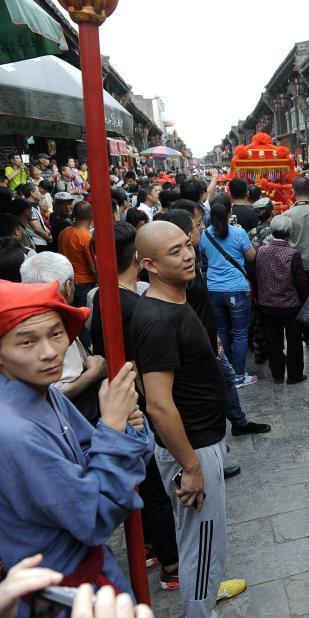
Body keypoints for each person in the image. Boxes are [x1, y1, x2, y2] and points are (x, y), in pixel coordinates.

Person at [0, 279, 149, 617]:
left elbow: (96, 454)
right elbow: (94, 514)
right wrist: (113, 427)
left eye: (56, 334)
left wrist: (123, 429)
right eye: (27, 342)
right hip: (63, 599)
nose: (50, 352)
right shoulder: (13, 432)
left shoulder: (44, 390)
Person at [130, 221, 247, 617]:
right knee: (202, 545)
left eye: (186, 246)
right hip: (193, 448)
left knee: (201, 539)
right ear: (150, 265)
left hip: (201, 440)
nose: (187, 256)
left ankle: (204, 596)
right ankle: (201, 610)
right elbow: (158, 405)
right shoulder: (157, 319)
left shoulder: (176, 302)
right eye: (174, 252)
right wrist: (191, 466)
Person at [87, 222, 180, 591]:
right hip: (135, 408)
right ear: (141, 261)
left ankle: (150, 546)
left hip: (120, 402)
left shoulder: (103, 299)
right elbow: (143, 369)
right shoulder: (136, 306)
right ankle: (173, 565)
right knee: (154, 487)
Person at [161, 208, 269, 441]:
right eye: (197, 226)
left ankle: (236, 423)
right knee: (236, 342)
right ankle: (215, 436)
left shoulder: (199, 253)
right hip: (201, 339)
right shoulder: (180, 272)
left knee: (226, 375)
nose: (200, 229)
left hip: (209, 329)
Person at [20, 252, 106, 422]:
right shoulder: (53, 326)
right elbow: (55, 389)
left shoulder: (22, 322)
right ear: (68, 287)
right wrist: (93, 373)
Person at [201, 199, 257, 386]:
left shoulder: (205, 235)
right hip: (237, 289)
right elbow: (252, 256)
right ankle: (240, 376)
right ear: (229, 212)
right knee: (240, 333)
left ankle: (227, 375)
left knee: (222, 331)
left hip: (214, 289)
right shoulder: (238, 232)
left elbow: (204, 255)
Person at [255, 215, 309, 384]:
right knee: (294, 340)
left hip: (267, 303)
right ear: (289, 233)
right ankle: (295, 375)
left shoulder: (261, 251)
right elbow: (301, 282)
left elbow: (256, 275)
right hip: (290, 305)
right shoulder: (293, 254)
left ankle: (277, 374)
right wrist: (305, 300)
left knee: (273, 340)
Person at [56, 200, 96, 308]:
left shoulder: (64, 232)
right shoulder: (87, 237)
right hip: (86, 284)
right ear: (92, 216)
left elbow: (61, 258)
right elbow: (93, 268)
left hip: (69, 283)